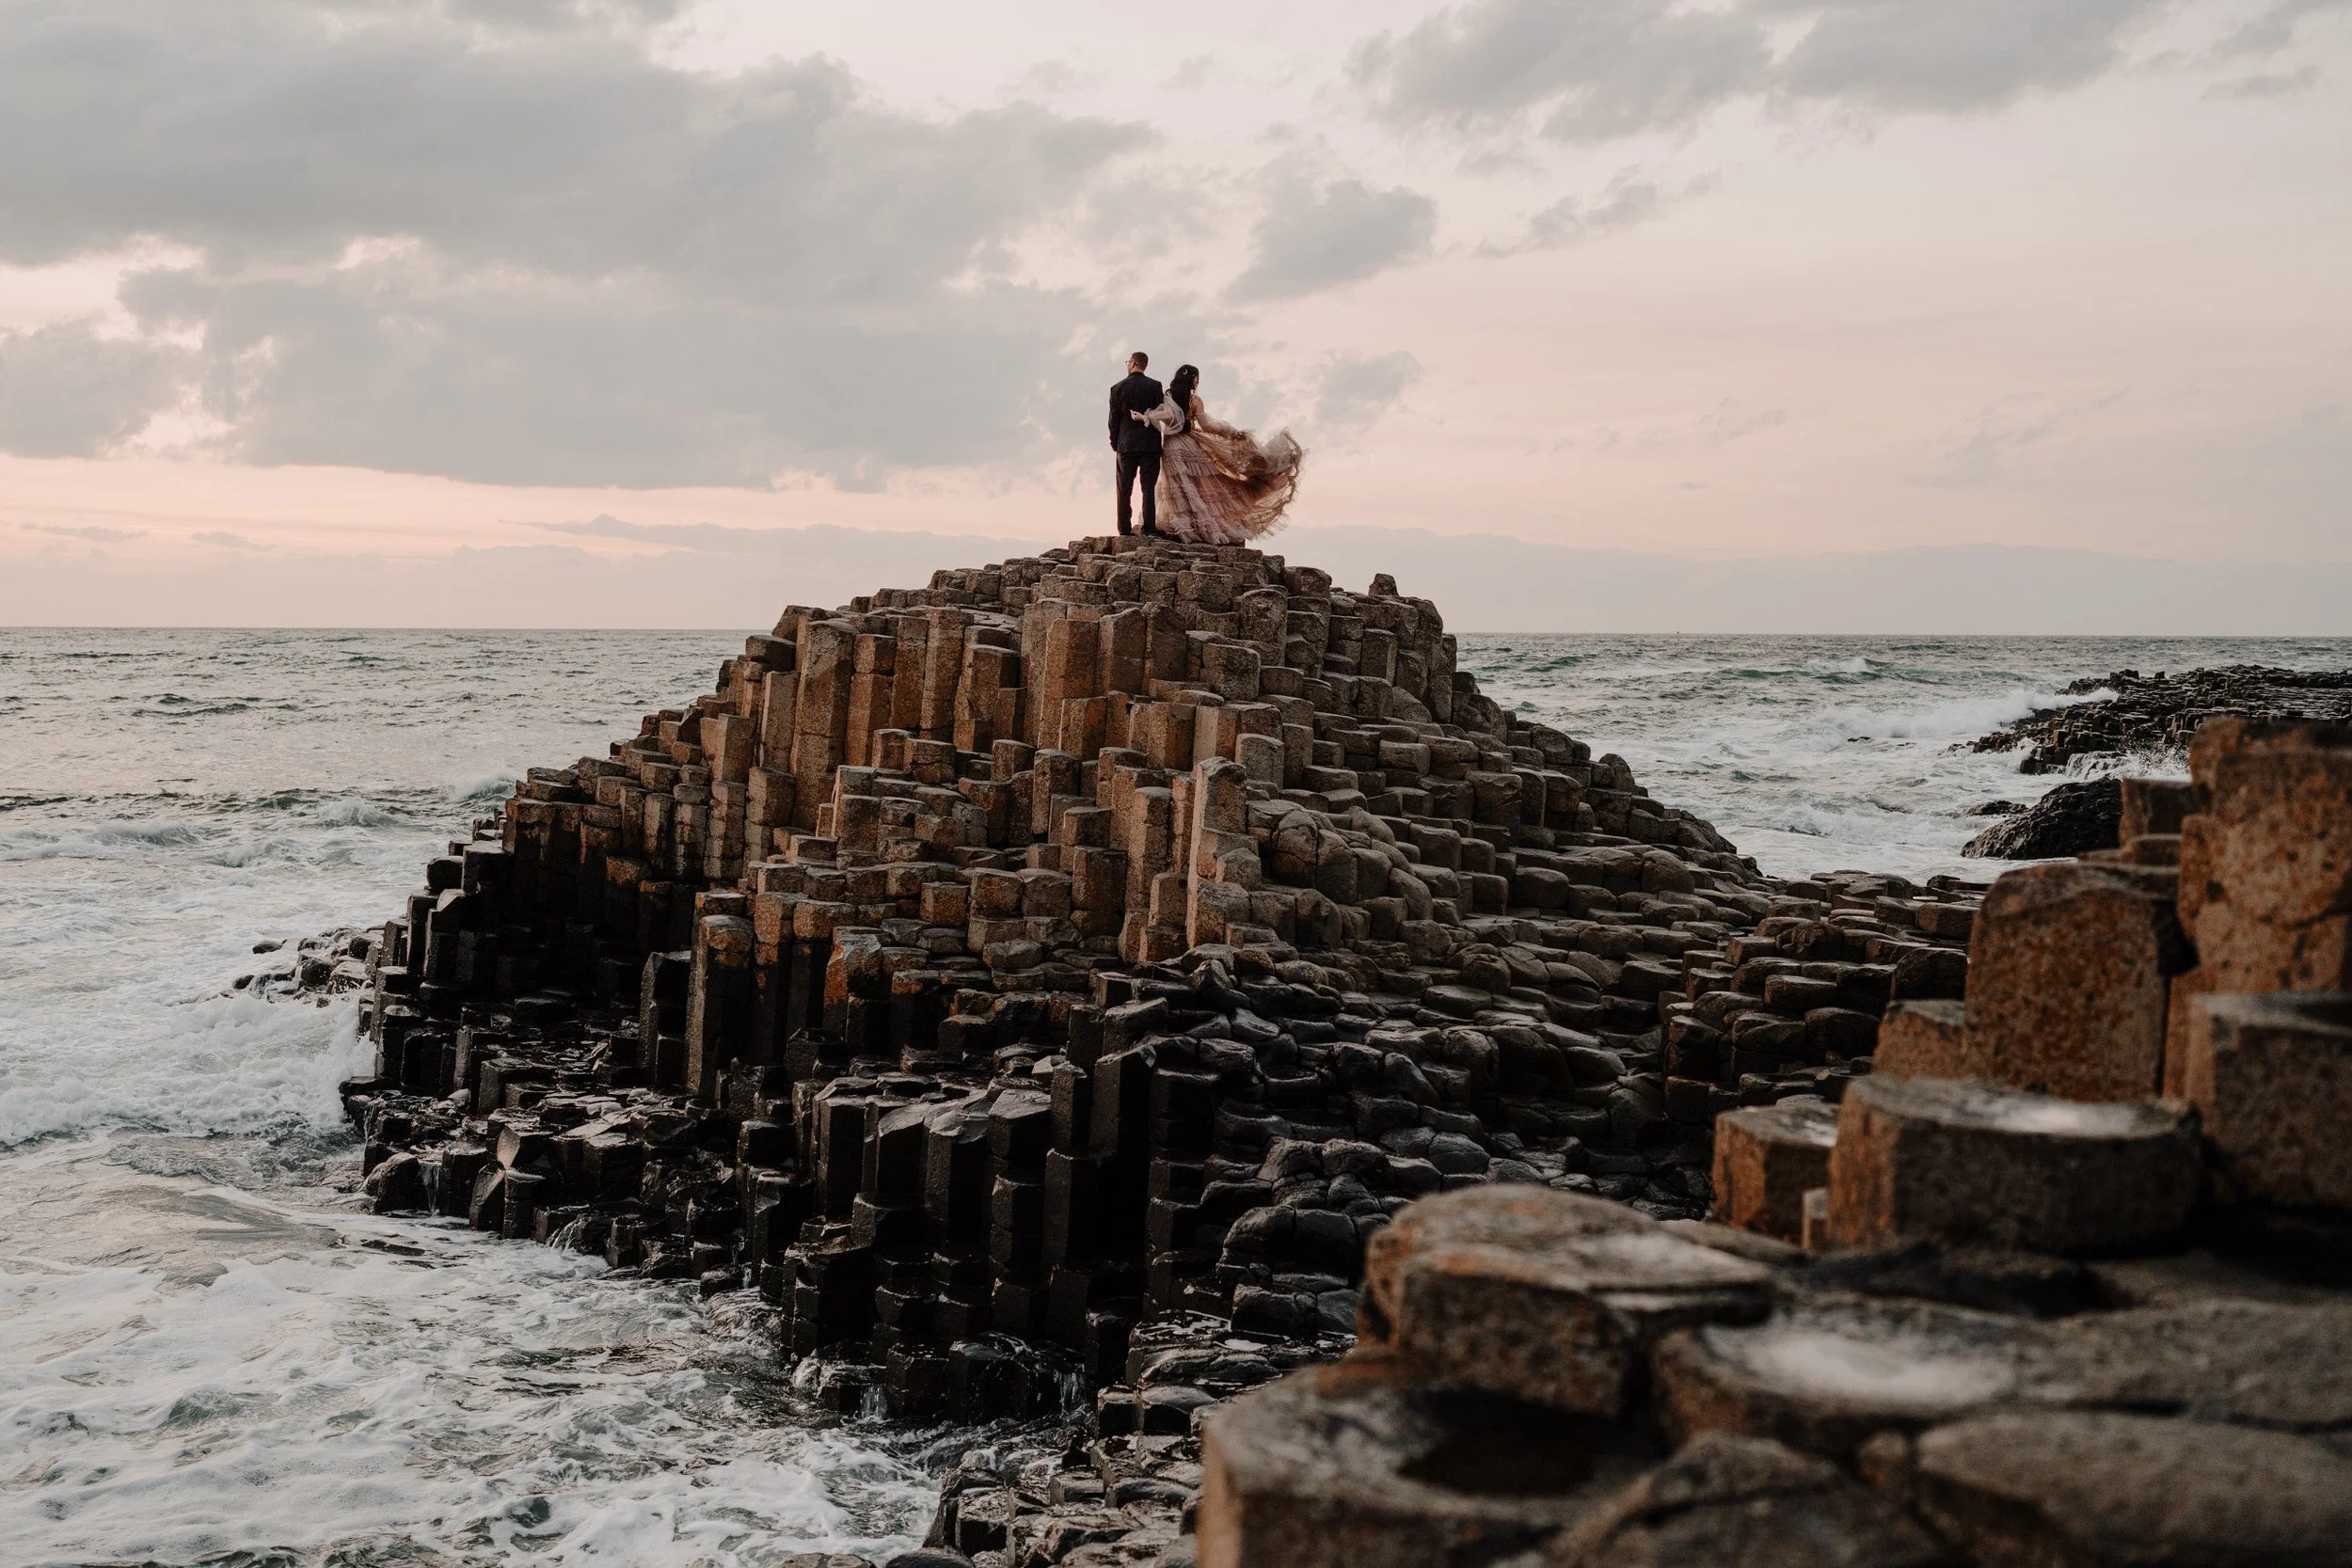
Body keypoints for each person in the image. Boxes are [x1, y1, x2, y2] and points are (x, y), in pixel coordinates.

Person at [1131, 363, 1303, 545]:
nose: (1198, 382)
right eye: (1197, 378)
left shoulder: (1168, 397)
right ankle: (1195, 525)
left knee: (1178, 484)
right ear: (1192, 379)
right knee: (1196, 484)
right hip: (1189, 445)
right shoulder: (1195, 401)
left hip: (1172, 446)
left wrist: (1146, 417)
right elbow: (1207, 426)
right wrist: (1229, 432)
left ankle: (1184, 524)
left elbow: (1166, 415)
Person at [1107, 352, 1165, 537]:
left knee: (1124, 488)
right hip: (1150, 443)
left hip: (1126, 443)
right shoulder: (1155, 386)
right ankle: (1149, 529)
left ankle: (1124, 529)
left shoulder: (1117, 388)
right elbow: (1160, 413)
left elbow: (1113, 420)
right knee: (1148, 488)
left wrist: (1115, 443)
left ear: (1132, 363)